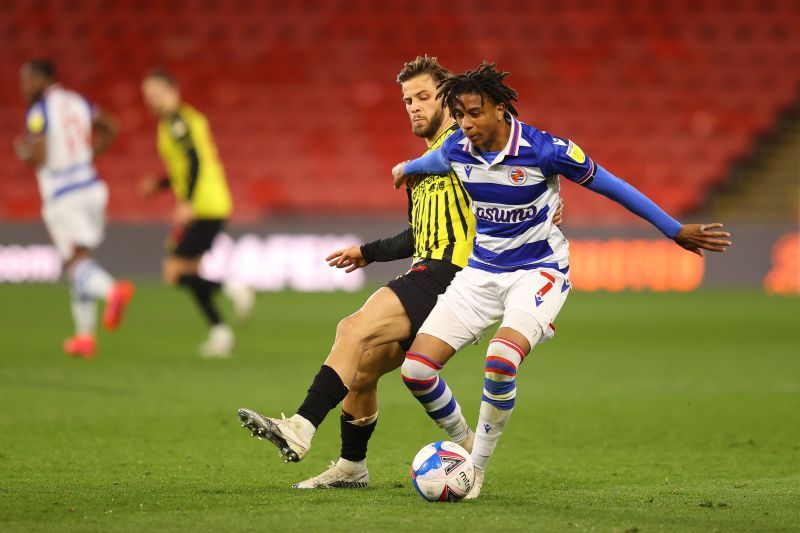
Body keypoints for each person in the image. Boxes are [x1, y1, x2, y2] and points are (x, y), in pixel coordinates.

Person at [391, 62, 732, 500]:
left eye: (475, 113)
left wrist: (673, 229)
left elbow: (614, 186)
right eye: (458, 115)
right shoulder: (458, 148)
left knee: (500, 360)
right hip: (480, 273)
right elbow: (432, 160)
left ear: (499, 108)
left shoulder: (545, 150)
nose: (466, 124)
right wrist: (407, 167)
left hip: (538, 272)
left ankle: (475, 469)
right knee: (416, 371)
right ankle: (466, 440)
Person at [236, 56, 564, 488]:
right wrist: (368, 252)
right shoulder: (426, 164)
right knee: (362, 368)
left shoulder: (466, 146)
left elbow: (516, 166)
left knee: (352, 329)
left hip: (451, 273)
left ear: (449, 101)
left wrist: (548, 202)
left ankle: (300, 427)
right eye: (408, 100)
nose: (413, 107)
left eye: (424, 97)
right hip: (428, 268)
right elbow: (420, 232)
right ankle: (354, 466)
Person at [13, 59, 133, 359]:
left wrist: (23, 152)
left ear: (42, 79)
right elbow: (111, 127)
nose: (24, 87)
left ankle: (111, 291)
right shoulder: (80, 101)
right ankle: (84, 337)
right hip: (91, 186)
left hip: (63, 195)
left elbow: (39, 155)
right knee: (81, 259)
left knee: (76, 264)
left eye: (27, 80)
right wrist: (88, 157)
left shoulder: (39, 111)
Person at [139, 68, 253, 358]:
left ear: (172, 91)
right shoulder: (179, 120)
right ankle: (221, 334)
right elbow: (185, 165)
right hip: (210, 202)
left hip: (204, 205)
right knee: (189, 274)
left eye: (156, 94)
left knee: (174, 272)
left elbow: (194, 160)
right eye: (147, 96)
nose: (151, 100)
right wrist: (162, 184)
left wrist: (186, 202)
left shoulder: (177, 121)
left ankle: (233, 288)